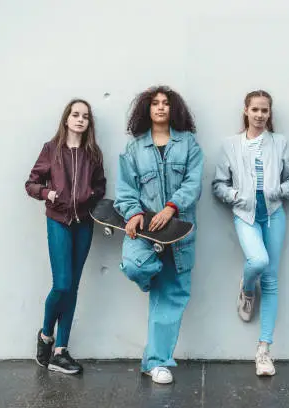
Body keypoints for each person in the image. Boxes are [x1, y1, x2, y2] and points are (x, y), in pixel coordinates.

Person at [114, 85, 203, 384]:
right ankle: (149, 278)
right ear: (147, 109)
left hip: (178, 233)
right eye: (155, 103)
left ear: (173, 109)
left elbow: (193, 182)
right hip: (145, 232)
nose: (161, 107)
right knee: (134, 265)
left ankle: (158, 362)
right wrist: (134, 213)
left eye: (166, 103)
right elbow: (125, 190)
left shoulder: (189, 143)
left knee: (171, 298)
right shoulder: (134, 148)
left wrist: (172, 207)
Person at [212, 90, 289, 376]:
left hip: (274, 215)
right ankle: (248, 289)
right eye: (255, 110)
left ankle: (263, 350)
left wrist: (278, 191)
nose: (260, 115)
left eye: (265, 110)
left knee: (272, 280)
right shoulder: (231, 145)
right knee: (258, 262)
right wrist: (236, 195)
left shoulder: (280, 142)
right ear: (246, 111)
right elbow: (218, 185)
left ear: (269, 113)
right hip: (245, 215)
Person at [25, 99, 106, 375]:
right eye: (75, 114)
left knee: (73, 286)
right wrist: (47, 193)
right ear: (66, 119)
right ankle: (46, 334)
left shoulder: (93, 153)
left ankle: (61, 351)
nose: (80, 119)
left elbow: (100, 186)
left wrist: (89, 196)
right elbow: (32, 183)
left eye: (85, 116)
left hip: (83, 223)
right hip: (58, 221)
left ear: (88, 123)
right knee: (61, 284)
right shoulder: (51, 149)